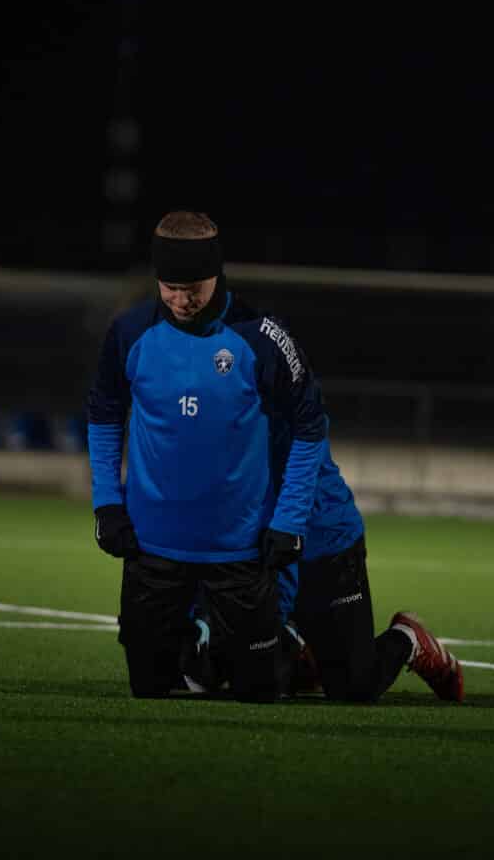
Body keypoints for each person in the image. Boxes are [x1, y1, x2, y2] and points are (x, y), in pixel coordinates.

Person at [87, 210, 326, 703]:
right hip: (152, 552)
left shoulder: (262, 337)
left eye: (192, 286)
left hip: (240, 555)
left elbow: (311, 426)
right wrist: (107, 504)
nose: (180, 299)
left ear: (217, 273)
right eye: (169, 286)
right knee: (148, 690)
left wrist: (290, 521)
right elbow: (104, 415)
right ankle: (200, 642)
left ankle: (293, 644)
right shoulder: (129, 334)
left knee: (261, 694)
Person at [182, 427, 465, 704]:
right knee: (203, 672)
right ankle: (299, 651)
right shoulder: (206, 399)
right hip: (262, 551)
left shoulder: (281, 393)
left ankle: (408, 638)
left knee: (354, 687)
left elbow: (284, 511)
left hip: (324, 544)